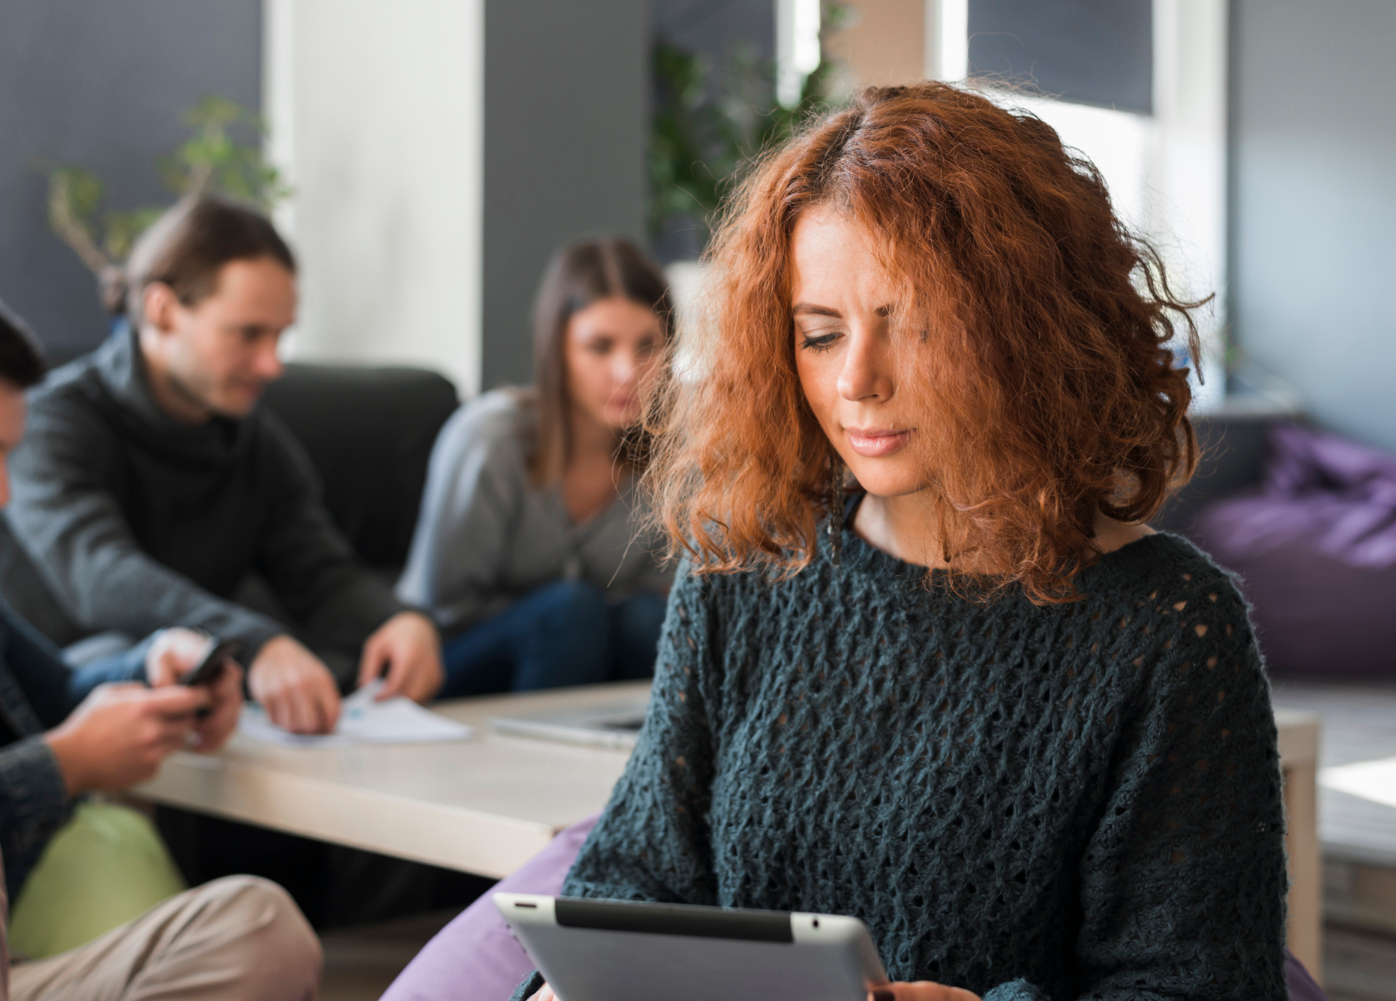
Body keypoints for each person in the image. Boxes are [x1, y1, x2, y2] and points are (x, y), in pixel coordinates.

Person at [512, 84, 1291, 1001]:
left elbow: (1197, 983)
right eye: (819, 333)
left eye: (912, 322)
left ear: (1026, 330)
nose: (858, 380)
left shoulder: (1167, 627)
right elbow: (630, 880)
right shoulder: (744, 567)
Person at [0, 271, 321, 1001]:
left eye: (6, 455)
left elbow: (55, 689)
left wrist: (157, 665)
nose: (0, 492)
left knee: (258, 927)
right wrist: (59, 769)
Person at [0, 197, 443, 736]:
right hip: (53, 691)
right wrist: (256, 643)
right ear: (162, 310)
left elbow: (318, 571)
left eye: (280, 335)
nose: (272, 364)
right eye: (247, 334)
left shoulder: (255, 440)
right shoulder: (50, 425)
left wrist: (398, 620)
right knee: (159, 668)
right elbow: (101, 576)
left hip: (197, 675)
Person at [397, 238, 675, 697]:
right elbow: (442, 609)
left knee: (650, 618)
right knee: (571, 612)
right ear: (557, 351)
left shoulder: (674, 451)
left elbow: (664, 597)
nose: (628, 371)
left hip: (595, 660)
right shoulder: (489, 439)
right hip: (459, 657)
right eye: (600, 347)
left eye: (647, 346)